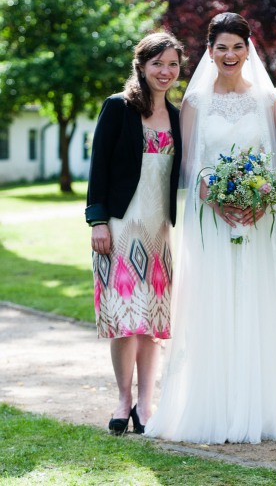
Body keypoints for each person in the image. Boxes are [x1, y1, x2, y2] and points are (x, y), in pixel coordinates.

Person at [145, 12, 276, 444]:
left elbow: (275, 164)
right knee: (213, 304)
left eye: (237, 46)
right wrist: (215, 197)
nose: (230, 55)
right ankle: (212, 406)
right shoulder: (195, 103)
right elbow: (191, 165)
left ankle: (258, 406)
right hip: (210, 221)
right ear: (210, 51)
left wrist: (259, 201)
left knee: (254, 302)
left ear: (247, 48)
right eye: (222, 47)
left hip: (258, 222)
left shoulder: (267, 101)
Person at [85, 32, 183, 434]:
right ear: (141, 66)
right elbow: (99, 167)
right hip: (121, 226)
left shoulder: (179, 116)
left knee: (152, 321)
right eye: (158, 63)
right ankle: (123, 398)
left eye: (173, 64)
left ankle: (146, 404)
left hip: (160, 231)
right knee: (125, 320)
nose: (166, 71)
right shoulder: (118, 108)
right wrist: (98, 220)